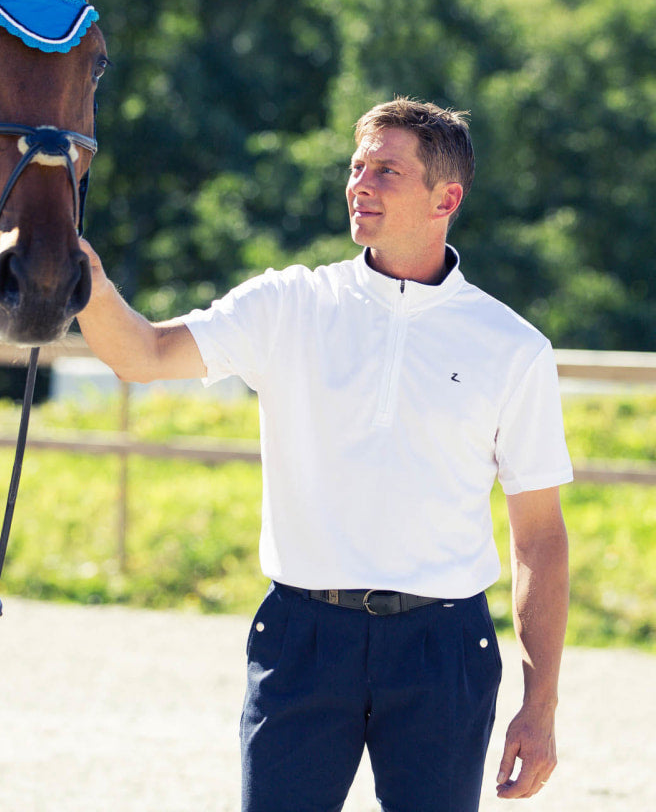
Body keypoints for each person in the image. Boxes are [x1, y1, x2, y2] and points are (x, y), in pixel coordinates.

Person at [76, 97, 571, 811]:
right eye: (357, 166)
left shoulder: (513, 348)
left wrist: (541, 706)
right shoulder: (289, 304)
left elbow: (541, 541)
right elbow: (145, 353)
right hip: (303, 639)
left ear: (447, 198)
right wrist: (79, 268)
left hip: (445, 647)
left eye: (387, 171)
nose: (360, 184)